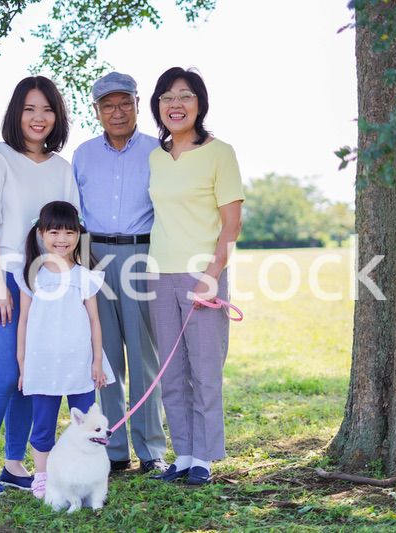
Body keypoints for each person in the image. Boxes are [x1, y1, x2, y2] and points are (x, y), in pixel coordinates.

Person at [0, 76, 78, 497]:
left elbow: (70, 231)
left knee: (31, 373)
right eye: (29, 109)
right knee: (5, 375)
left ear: (57, 116)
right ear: (16, 113)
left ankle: (14, 465)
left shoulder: (62, 169)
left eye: (46, 109)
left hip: (42, 281)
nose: (38, 117)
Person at [146, 67, 244, 485]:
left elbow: (232, 224)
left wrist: (213, 273)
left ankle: (204, 456)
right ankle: (183, 453)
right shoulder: (156, 156)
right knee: (170, 371)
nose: (176, 104)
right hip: (157, 273)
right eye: (167, 97)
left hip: (203, 275)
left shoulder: (220, 153)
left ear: (199, 104)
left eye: (185, 96)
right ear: (158, 106)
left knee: (204, 370)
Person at [72, 72, 168, 473]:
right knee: (105, 357)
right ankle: (112, 451)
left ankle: (150, 450)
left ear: (137, 104)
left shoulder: (158, 151)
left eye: (125, 103)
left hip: (142, 254)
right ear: (96, 111)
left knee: (144, 356)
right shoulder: (82, 155)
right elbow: (75, 212)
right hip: (94, 257)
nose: (117, 112)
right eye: (108, 105)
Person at [15, 201, 115, 499]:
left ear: (79, 235)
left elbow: (94, 321)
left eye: (69, 232)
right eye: (54, 232)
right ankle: (43, 477)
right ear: (41, 233)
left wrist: (97, 361)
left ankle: (86, 476)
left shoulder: (85, 275)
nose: (62, 238)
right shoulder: (32, 274)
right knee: (43, 425)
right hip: (42, 363)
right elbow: (23, 321)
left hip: (79, 362)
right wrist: (23, 364)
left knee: (87, 424)